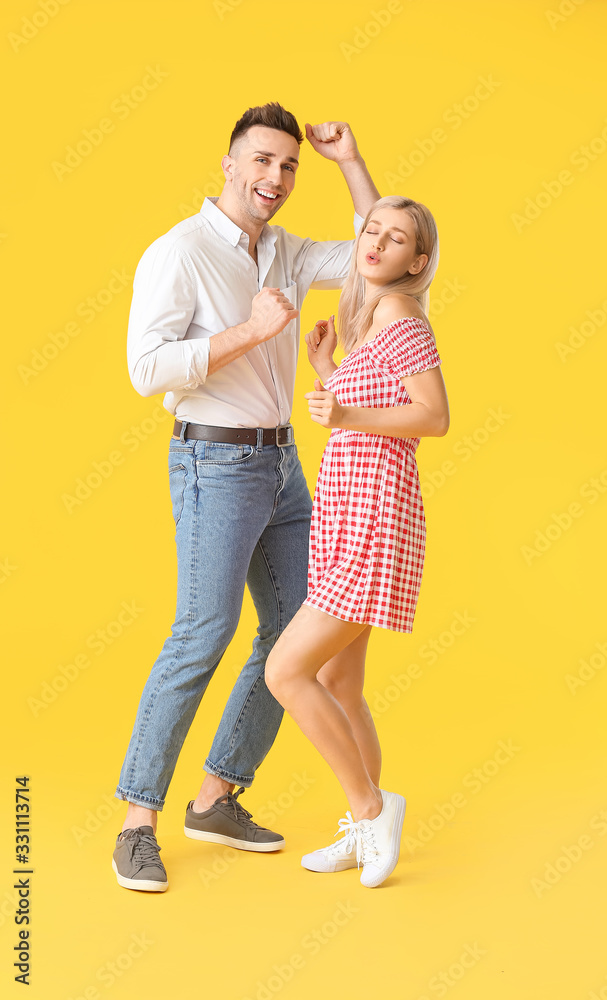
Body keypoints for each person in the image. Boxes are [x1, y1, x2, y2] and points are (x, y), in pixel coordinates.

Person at [112, 102, 382, 892]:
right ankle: (136, 823)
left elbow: (381, 248)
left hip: (282, 467)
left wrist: (349, 164)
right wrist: (251, 332)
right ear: (229, 164)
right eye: (262, 160)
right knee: (202, 634)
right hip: (214, 466)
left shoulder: (286, 252)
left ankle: (217, 796)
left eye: (288, 166)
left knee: (297, 640)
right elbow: (146, 370)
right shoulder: (180, 252)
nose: (275, 177)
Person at [264, 195, 450, 888]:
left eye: (394, 237)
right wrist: (324, 371)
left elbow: (431, 417)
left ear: (416, 262)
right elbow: (369, 408)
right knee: (340, 680)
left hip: (373, 516)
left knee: (286, 672)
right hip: (347, 513)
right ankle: (364, 830)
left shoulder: (401, 318)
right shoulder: (370, 318)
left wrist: (339, 404)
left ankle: (372, 808)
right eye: (370, 230)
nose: (374, 243)